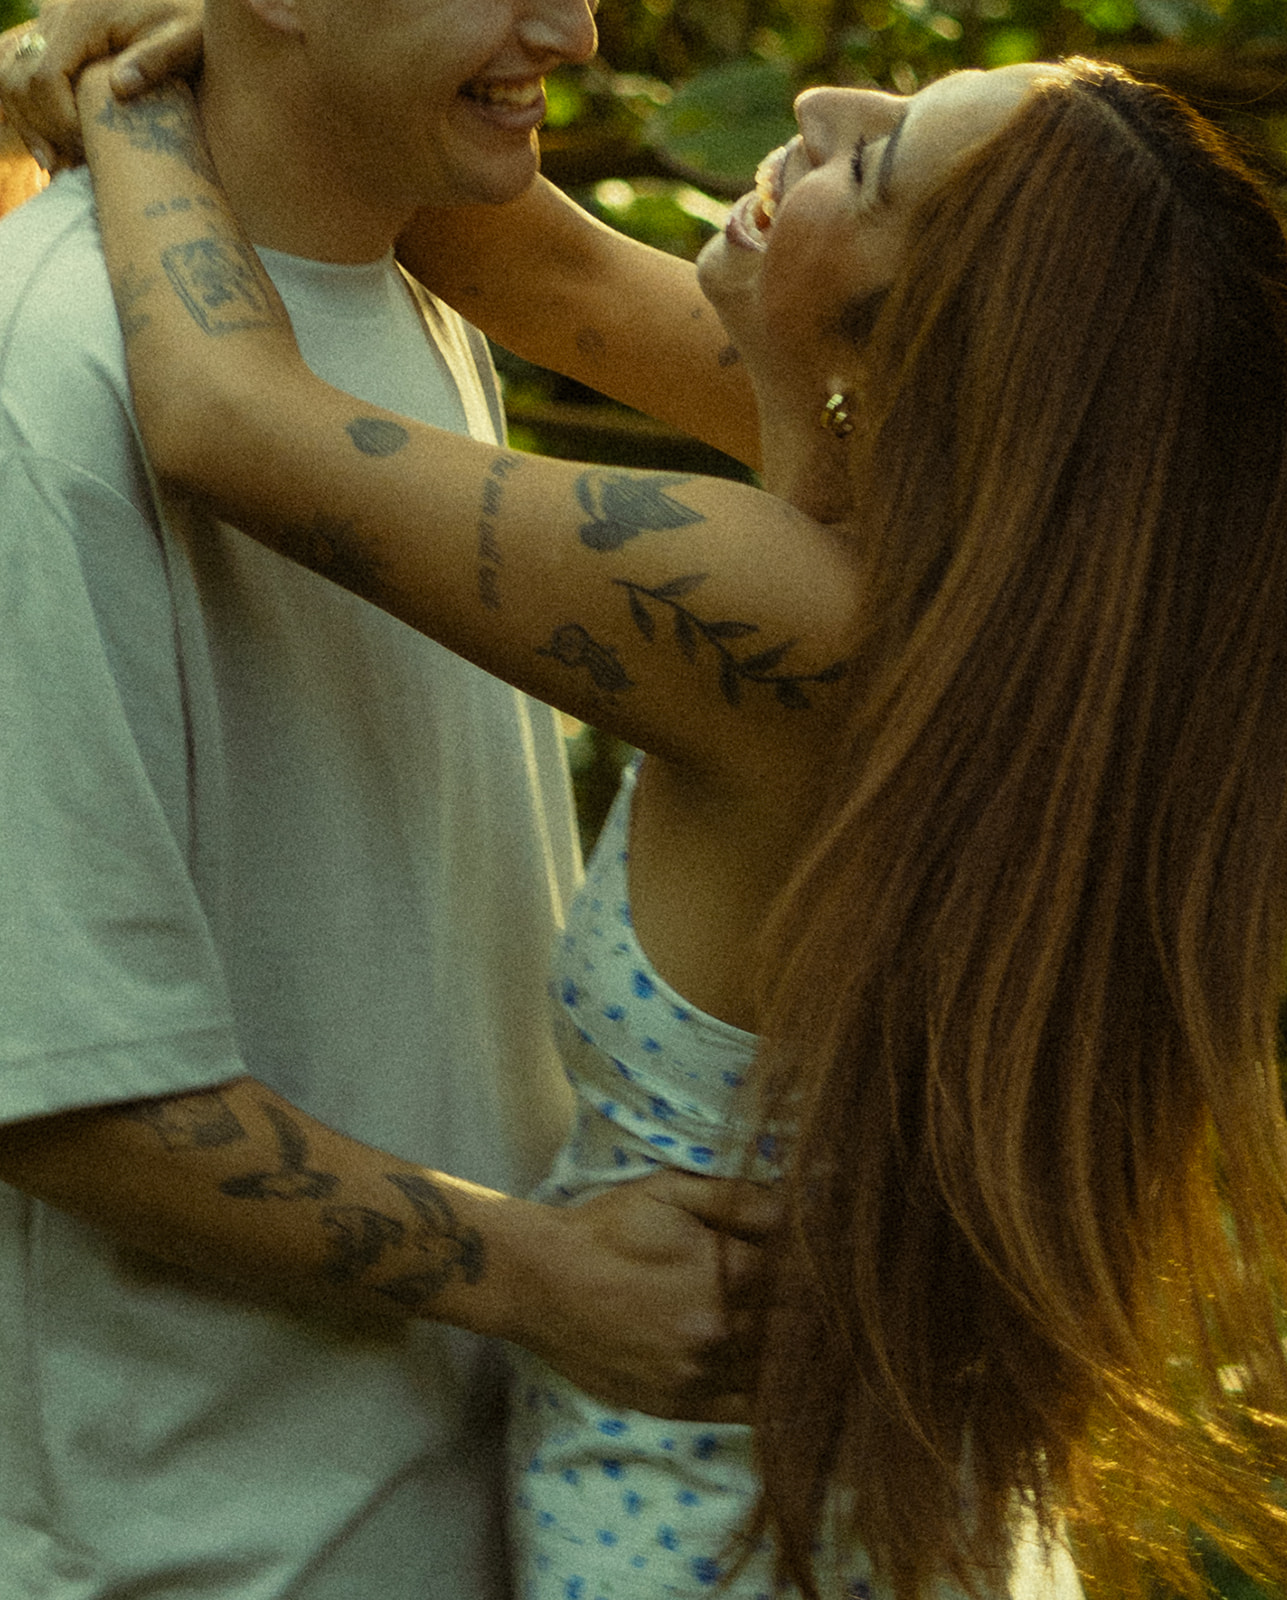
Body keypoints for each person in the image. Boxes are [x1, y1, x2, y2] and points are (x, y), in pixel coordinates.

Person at [72, 46, 1287, 1600]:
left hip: (727, 1548)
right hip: (887, 1519)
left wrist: (118, 87)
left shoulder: (792, 616)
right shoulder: (1011, 573)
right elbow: (522, 258)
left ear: (925, 342)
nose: (826, 112)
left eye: (874, 166)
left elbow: (219, 415)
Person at [0, 1, 773, 1596]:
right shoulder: (52, 379)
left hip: (481, 1503)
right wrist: (547, 1277)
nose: (578, 29)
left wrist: (132, 90)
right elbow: (56, 1084)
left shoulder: (363, 307)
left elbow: (242, 410)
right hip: (221, 1551)